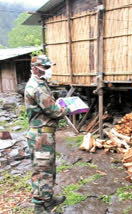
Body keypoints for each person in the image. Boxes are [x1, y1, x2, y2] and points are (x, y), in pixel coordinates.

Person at [25, 55, 70, 214]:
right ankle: (40, 207)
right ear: (36, 69)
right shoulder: (37, 87)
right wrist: (66, 109)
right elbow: (53, 111)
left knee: (48, 169)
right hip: (41, 136)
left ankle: (48, 199)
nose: (50, 71)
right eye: (47, 68)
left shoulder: (40, 84)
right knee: (42, 171)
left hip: (43, 135)